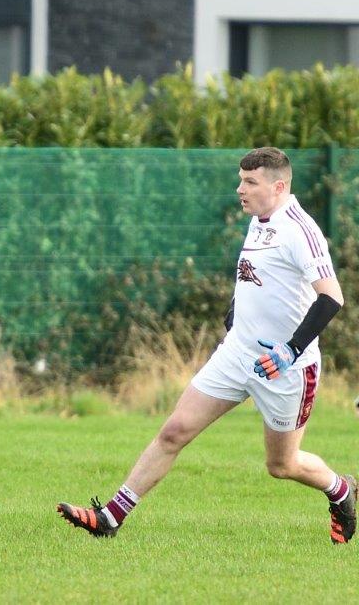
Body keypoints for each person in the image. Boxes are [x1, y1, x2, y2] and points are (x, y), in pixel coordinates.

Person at [58, 147, 354, 543]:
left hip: (286, 369)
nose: (240, 189)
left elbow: (332, 297)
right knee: (174, 431)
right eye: (241, 180)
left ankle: (341, 490)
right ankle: (110, 517)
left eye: (250, 182)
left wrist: (289, 350)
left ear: (279, 186)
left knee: (281, 465)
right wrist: (236, 311)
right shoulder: (258, 219)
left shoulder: (300, 230)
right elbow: (260, 277)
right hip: (236, 354)